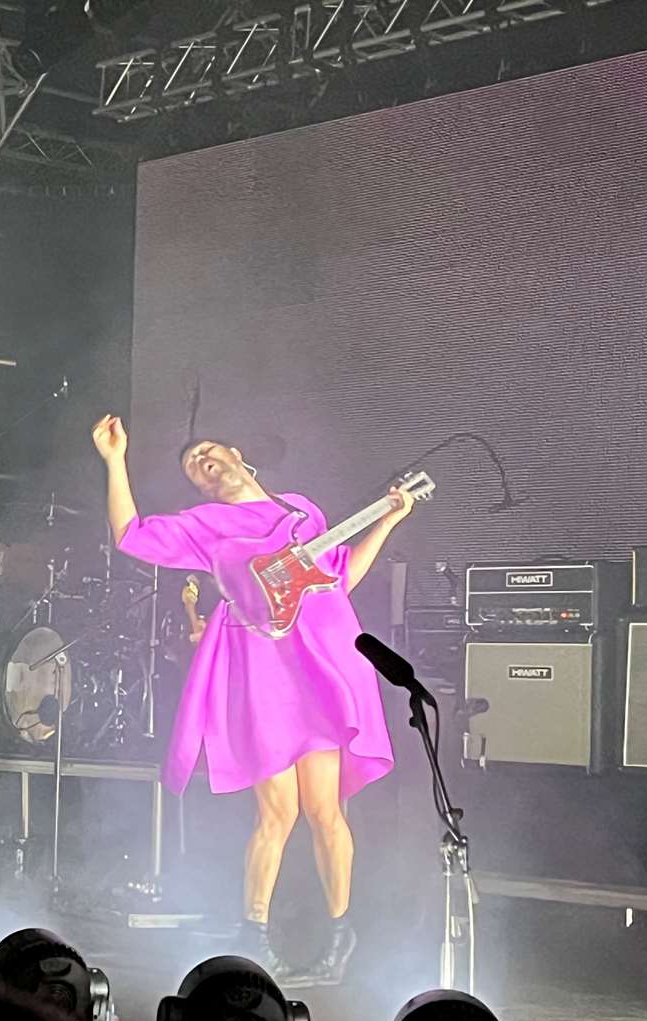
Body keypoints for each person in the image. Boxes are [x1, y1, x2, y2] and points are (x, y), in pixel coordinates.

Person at [91, 414, 414, 985]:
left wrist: (387, 521)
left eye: (209, 450)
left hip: (315, 667)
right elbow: (130, 536)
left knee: (324, 810)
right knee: (276, 814)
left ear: (238, 454)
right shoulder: (205, 524)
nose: (203, 460)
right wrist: (116, 461)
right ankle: (254, 938)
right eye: (193, 463)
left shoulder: (300, 511)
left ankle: (341, 936)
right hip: (262, 668)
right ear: (197, 484)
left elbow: (337, 580)